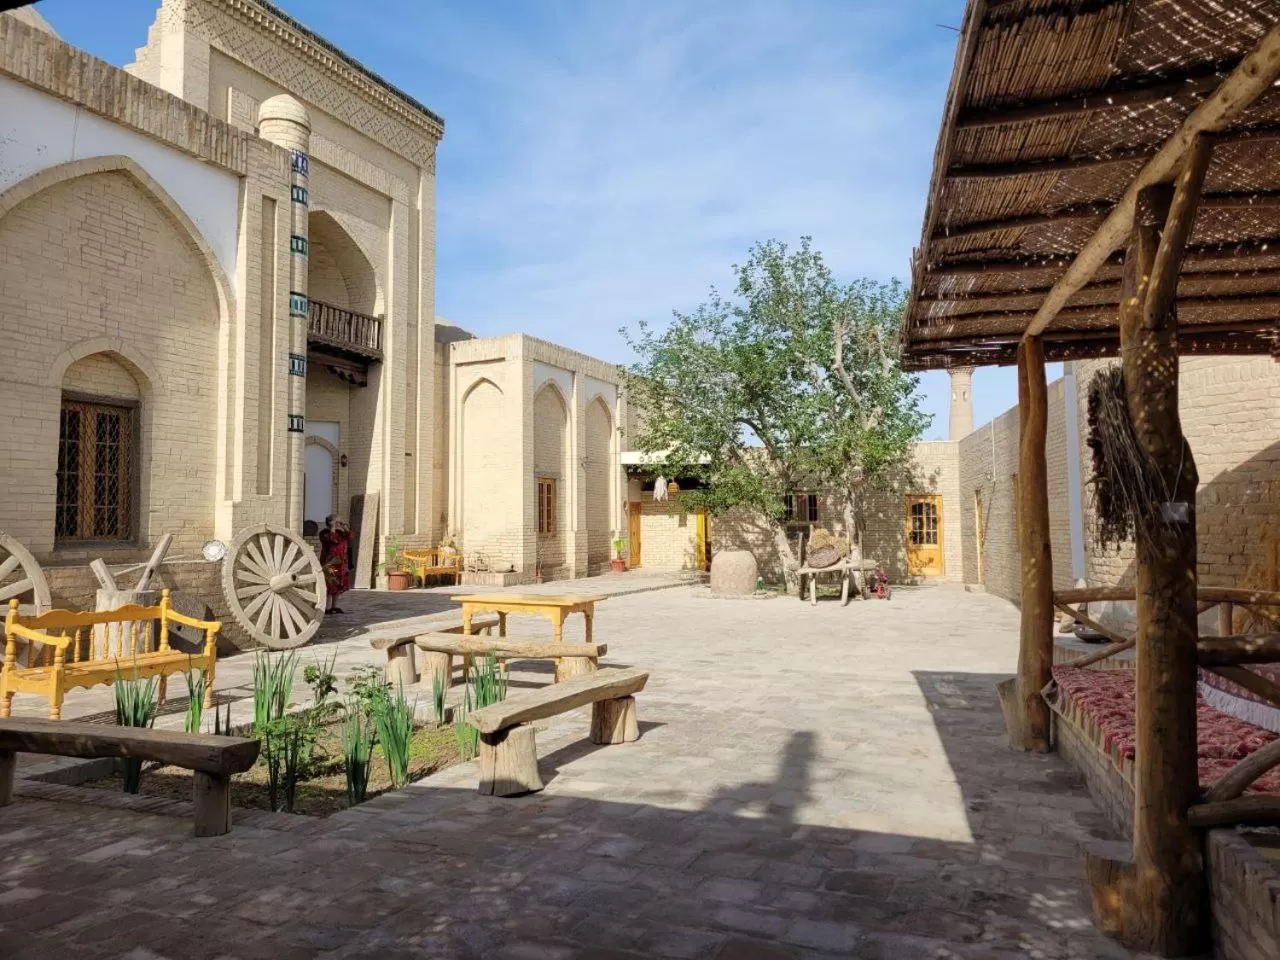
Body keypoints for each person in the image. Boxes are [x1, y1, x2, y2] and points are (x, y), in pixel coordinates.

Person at [318, 515, 351, 614]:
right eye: (337, 522)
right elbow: (333, 540)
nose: (339, 524)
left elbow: (350, 537)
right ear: (330, 522)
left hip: (341, 564)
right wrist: (332, 528)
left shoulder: (341, 533)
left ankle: (334, 607)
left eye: (339, 522)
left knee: (338, 585)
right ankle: (327, 608)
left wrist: (345, 528)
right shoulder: (324, 533)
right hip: (330, 564)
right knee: (330, 584)